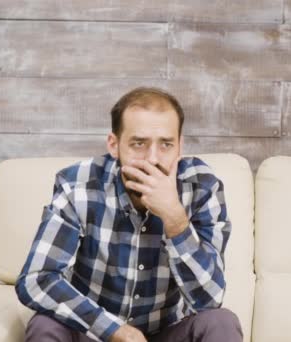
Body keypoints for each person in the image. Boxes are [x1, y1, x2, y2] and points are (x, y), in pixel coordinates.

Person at [15, 87, 242, 342]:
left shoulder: (202, 187)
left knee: (221, 322)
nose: (152, 159)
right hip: (94, 334)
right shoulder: (78, 186)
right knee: (45, 324)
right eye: (138, 144)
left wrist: (175, 218)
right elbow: (37, 279)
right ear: (114, 145)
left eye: (166, 144)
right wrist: (113, 330)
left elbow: (209, 300)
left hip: (165, 333)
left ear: (180, 146)